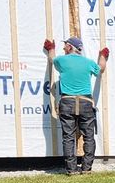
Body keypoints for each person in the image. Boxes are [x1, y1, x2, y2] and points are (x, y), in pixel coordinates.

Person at [44, 34, 109, 174]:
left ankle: (72, 169)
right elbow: (101, 68)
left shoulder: (62, 60)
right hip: (86, 103)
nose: (63, 48)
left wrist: (51, 48)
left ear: (69, 47)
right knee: (89, 136)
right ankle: (86, 168)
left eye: (65, 45)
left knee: (68, 136)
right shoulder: (88, 62)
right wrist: (103, 55)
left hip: (68, 102)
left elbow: (51, 59)